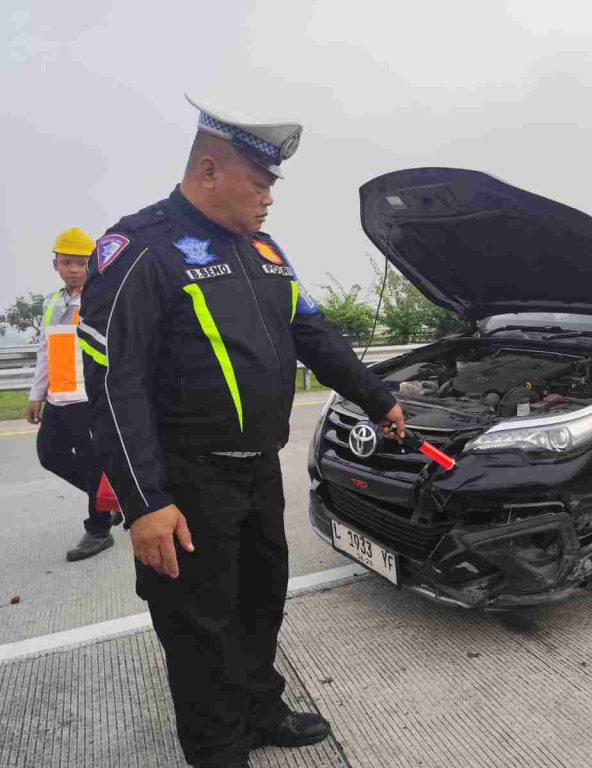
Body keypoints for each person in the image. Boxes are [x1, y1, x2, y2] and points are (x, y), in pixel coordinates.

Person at [79, 94, 405, 768]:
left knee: (259, 604)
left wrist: (377, 397)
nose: (268, 199)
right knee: (199, 627)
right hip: (185, 481)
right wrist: (145, 502)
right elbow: (115, 386)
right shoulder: (141, 250)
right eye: (258, 184)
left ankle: (260, 710)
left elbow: (312, 331)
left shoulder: (263, 251)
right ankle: (217, 748)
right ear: (207, 171)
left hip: (256, 472)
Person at [27, 227, 123, 561]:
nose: (74, 270)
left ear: (92, 265)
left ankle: (98, 530)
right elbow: (45, 351)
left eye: (81, 264)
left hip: (89, 397)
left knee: (93, 462)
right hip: (58, 398)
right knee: (49, 455)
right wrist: (36, 393)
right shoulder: (52, 302)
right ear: (56, 264)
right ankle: (113, 500)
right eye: (67, 263)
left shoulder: (100, 299)